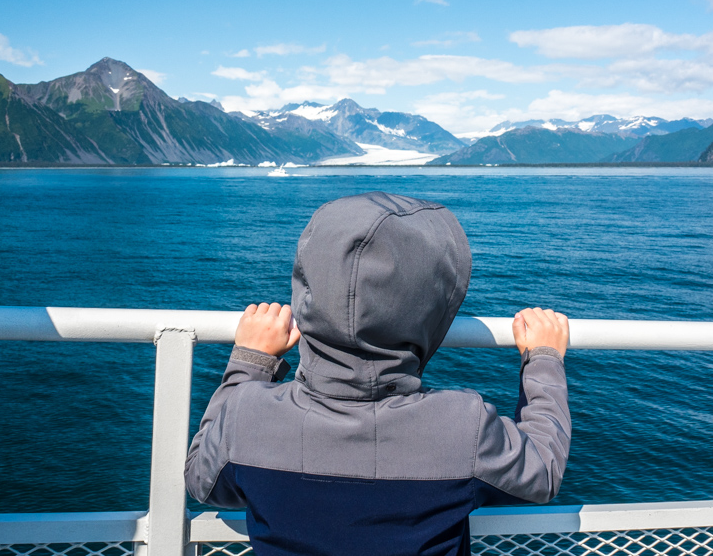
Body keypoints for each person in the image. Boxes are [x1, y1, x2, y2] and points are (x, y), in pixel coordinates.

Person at [185, 191, 570, 556]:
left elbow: (203, 480)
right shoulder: (462, 427)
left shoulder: (246, 416)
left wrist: (250, 362)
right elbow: (542, 470)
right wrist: (544, 357)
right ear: (431, 308)